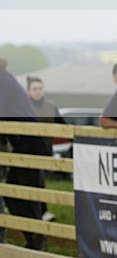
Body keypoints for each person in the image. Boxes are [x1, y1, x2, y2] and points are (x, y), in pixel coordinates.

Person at [0, 58, 48, 249]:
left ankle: (37, 239)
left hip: (30, 142)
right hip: (24, 142)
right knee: (13, 193)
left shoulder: (3, 81)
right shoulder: (6, 79)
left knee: (27, 193)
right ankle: (33, 238)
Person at [26, 76, 65, 219]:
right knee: (31, 182)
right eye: (34, 89)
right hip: (27, 150)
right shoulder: (24, 106)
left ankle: (41, 212)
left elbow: (62, 124)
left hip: (45, 149)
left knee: (39, 181)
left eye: (40, 88)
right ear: (28, 91)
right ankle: (37, 213)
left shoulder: (50, 106)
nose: (37, 92)